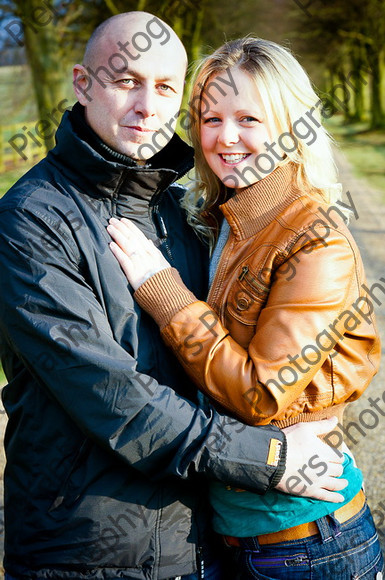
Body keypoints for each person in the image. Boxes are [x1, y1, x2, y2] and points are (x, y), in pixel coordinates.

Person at [0, 14, 348, 580]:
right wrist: (271, 457)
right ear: (82, 83)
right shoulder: (31, 220)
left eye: (164, 87)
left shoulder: (180, 212)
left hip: (204, 542)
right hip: (86, 555)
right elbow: (111, 395)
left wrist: (316, 412)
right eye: (124, 80)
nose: (146, 105)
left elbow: (246, 362)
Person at [107, 37, 383, 579]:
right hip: (233, 533)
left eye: (248, 118)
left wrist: (163, 290)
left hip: (308, 545)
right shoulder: (222, 223)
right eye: (210, 118)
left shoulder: (314, 240)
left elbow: (261, 392)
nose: (225, 138)